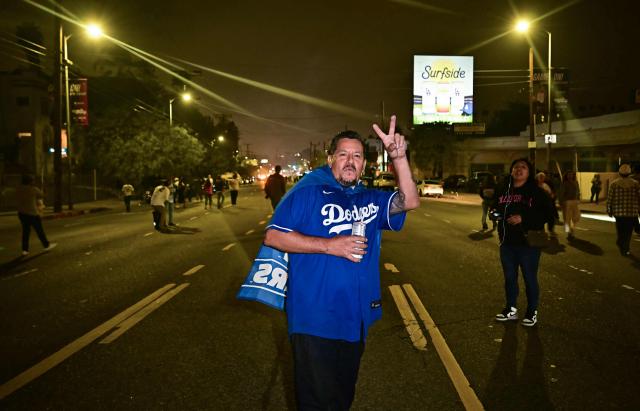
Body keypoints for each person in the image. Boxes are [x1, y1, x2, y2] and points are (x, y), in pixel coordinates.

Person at [263, 116, 420, 410]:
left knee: (342, 399)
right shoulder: (307, 191)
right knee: (316, 402)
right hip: (314, 318)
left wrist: (398, 158)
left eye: (357, 156)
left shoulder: (369, 198)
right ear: (331, 158)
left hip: (354, 317)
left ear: (364, 164)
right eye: (344, 154)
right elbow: (273, 237)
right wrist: (329, 245)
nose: (350, 161)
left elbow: (409, 201)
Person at [491, 159, 555, 327]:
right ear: (511, 170)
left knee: (529, 278)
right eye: (516, 167)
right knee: (510, 278)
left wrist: (523, 218)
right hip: (507, 242)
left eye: (523, 167)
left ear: (529, 172)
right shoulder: (503, 189)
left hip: (528, 244)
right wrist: (495, 215)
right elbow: (494, 208)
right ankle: (511, 309)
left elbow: (550, 214)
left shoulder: (536, 192)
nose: (519, 169)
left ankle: (531, 312)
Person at [15, 174, 56, 256]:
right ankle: (46, 245)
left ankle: (25, 250)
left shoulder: (18, 189)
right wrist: (44, 189)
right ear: (30, 181)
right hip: (32, 213)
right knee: (39, 230)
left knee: (26, 231)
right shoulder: (33, 189)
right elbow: (42, 196)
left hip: (22, 213)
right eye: (32, 180)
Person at [607, 164, 640, 256]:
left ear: (619, 173)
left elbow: (610, 198)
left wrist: (609, 209)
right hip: (631, 212)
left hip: (618, 212)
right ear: (629, 173)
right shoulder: (635, 184)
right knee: (628, 232)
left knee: (620, 230)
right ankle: (625, 249)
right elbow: (639, 197)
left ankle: (620, 241)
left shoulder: (614, 184)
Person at [557, 170, 581, 240]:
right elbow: (561, 193)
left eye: (571, 174)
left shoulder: (576, 182)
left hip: (574, 201)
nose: (570, 176)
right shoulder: (564, 183)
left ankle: (572, 231)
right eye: (569, 174)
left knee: (576, 218)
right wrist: (561, 202)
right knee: (567, 219)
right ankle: (569, 232)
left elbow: (578, 191)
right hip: (567, 202)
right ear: (566, 176)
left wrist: (578, 198)